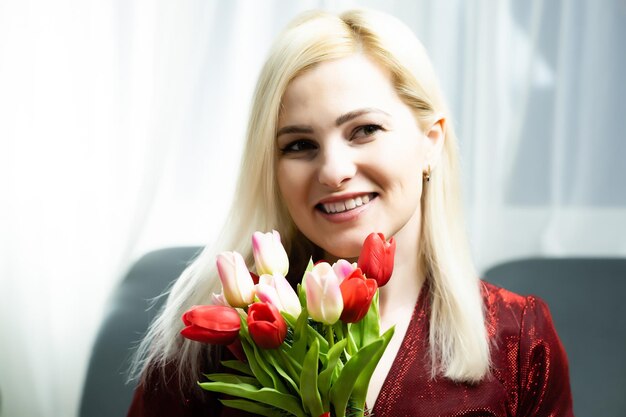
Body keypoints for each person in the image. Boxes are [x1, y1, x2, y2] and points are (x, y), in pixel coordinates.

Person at [127, 8, 574, 417]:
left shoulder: (520, 339)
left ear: (430, 141)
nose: (334, 171)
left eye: (364, 130)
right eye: (299, 145)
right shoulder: (212, 343)